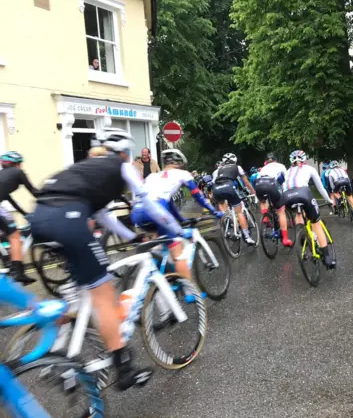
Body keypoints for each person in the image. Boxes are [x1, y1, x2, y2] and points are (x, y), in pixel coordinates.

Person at [29, 128, 181, 391]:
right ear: (124, 152)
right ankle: (123, 368)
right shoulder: (120, 165)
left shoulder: (85, 170)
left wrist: (132, 238)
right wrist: (176, 229)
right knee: (104, 292)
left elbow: (102, 217)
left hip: (39, 219)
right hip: (67, 221)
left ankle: (55, 352)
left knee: (79, 292)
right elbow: (149, 203)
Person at [131, 149, 222, 279]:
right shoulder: (183, 173)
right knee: (178, 253)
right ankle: (191, 293)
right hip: (156, 210)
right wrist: (214, 211)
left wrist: (180, 219)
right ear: (179, 163)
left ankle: (159, 278)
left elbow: (169, 203)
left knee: (160, 242)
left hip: (137, 212)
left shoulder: (153, 176)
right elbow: (198, 196)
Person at [282, 150, 336, 268]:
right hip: (303, 193)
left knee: (299, 212)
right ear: (304, 160)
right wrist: (329, 200)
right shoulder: (309, 168)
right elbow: (320, 188)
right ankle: (327, 257)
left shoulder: (287, 171)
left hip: (287, 196)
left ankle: (302, 233)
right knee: (316, 223)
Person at [0, 152, 39, 284]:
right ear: (16, 164)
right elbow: (33, 191)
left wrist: (24, 213)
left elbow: (8, 199)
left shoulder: (2, 176)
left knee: (5, 232)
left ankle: (7, 260)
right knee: (15, 236)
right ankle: (18, 273)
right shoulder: (18, 173)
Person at [211, 153, 257, 245]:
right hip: (229, 187)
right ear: (235, 160)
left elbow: (213, 183)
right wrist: (253, 192)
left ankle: (227, 227)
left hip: (216, 189)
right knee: (239, 212)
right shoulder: (237, 167)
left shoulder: (217, 170)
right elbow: (246, 182)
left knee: (224, 211)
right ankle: (247, 237)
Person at [254, 153, 292, 247]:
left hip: (259, 184)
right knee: (281, 211)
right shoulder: (280, 166)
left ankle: (266, 216)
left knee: (263, 201)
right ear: (276, 160)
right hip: (271, 183)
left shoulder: (263, 168)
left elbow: (257, 178)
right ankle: (285, 239)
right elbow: (287, 179)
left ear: (266, 161)